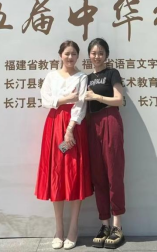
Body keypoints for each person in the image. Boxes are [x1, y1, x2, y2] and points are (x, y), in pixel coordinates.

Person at [35, 41, 93, 250]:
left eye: (74, 54)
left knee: (74, 175)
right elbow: (45, 100)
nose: (70, 57)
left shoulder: (82, 77)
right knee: (56, 174)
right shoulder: (51, 76)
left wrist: (70, 129)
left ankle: (73, 229)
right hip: (53, 125)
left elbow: (80, 105)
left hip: (73, 126)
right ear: (60, 55)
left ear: (78, 56)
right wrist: (65, 98)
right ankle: (59, 229)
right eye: (67, 53)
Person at [84, 38, 126, 249]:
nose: (97, 56)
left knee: (113, 173)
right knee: (98, 175)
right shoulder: (87, 78)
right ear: (89, 55)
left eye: (101, 53)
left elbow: (119, 100)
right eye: (94, 52)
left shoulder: (112, 73)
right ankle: (104, 225)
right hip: (93, 125)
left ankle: (117, 226)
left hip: (110, 119)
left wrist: (96, 96)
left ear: (106, 55)